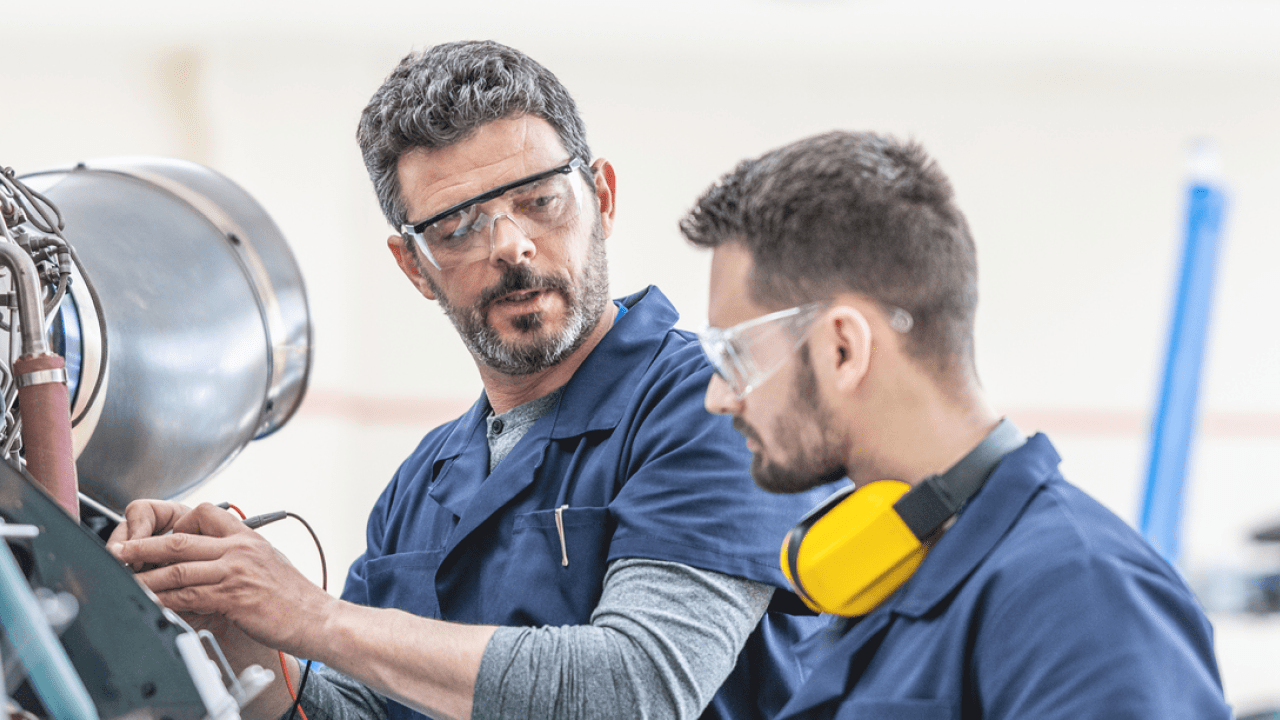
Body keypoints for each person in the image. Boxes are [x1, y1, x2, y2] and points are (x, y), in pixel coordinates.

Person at [107, 41, 833, 720]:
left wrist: (313, 616)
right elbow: (359, 710)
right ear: (414, 267)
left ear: (602, 199)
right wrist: (232, 627)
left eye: (540, 201)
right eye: (457, 228)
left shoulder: (715, 402)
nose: (511, 247)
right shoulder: (423, 483)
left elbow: (638, 685)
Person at [678, 130, 1233, 719]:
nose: (719, 397)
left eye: (736, 356)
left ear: (843, 348)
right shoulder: (896, 579)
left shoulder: (1081, 598)